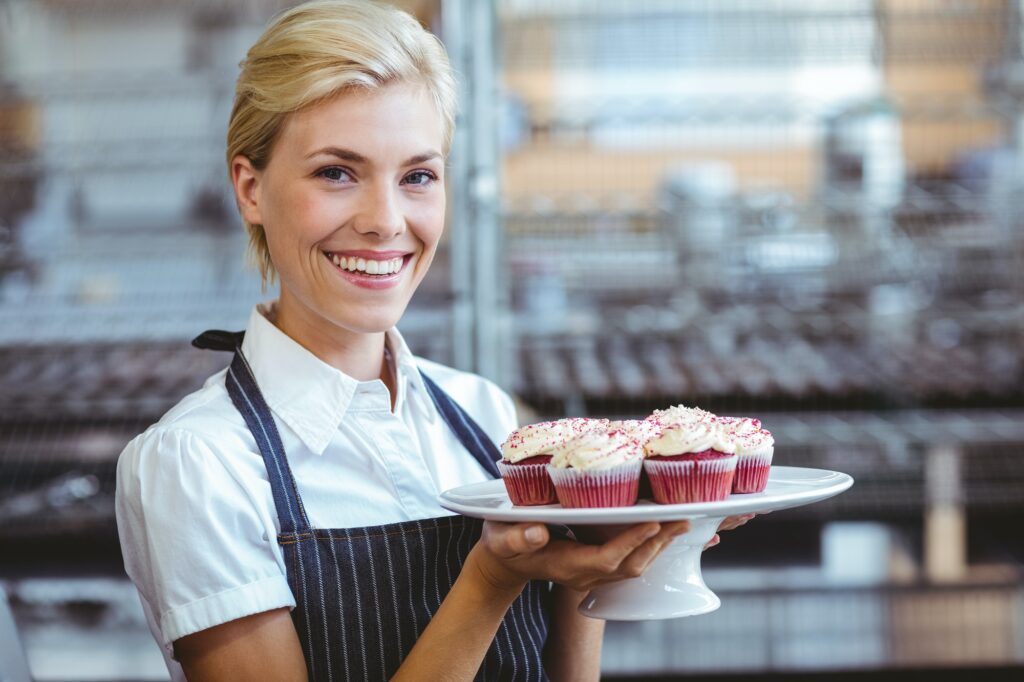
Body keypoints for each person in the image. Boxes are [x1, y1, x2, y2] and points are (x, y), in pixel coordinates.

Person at [115, 2, 751, 680]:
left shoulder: (485, 414)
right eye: (336, 172)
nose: (386, 221)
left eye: (417, 176)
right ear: (250, 189)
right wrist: (489, 580)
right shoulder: (198, 464)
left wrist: (603, 554)